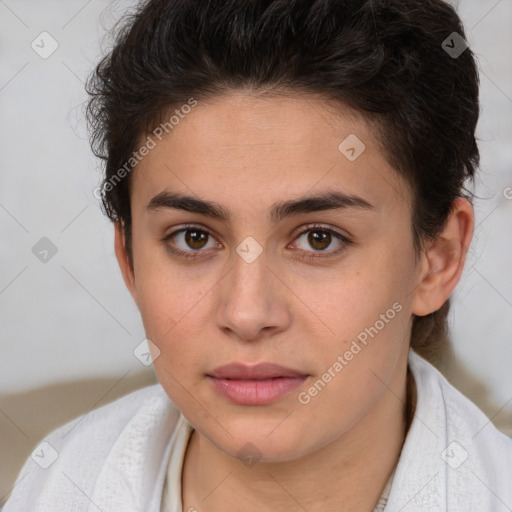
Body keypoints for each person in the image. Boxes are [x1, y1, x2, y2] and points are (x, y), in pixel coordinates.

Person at [4, 0, 512, 511]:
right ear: (129, 260)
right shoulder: (55, 486)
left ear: (437, 259)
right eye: (193, 238)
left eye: (319, 239)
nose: (247, 314)